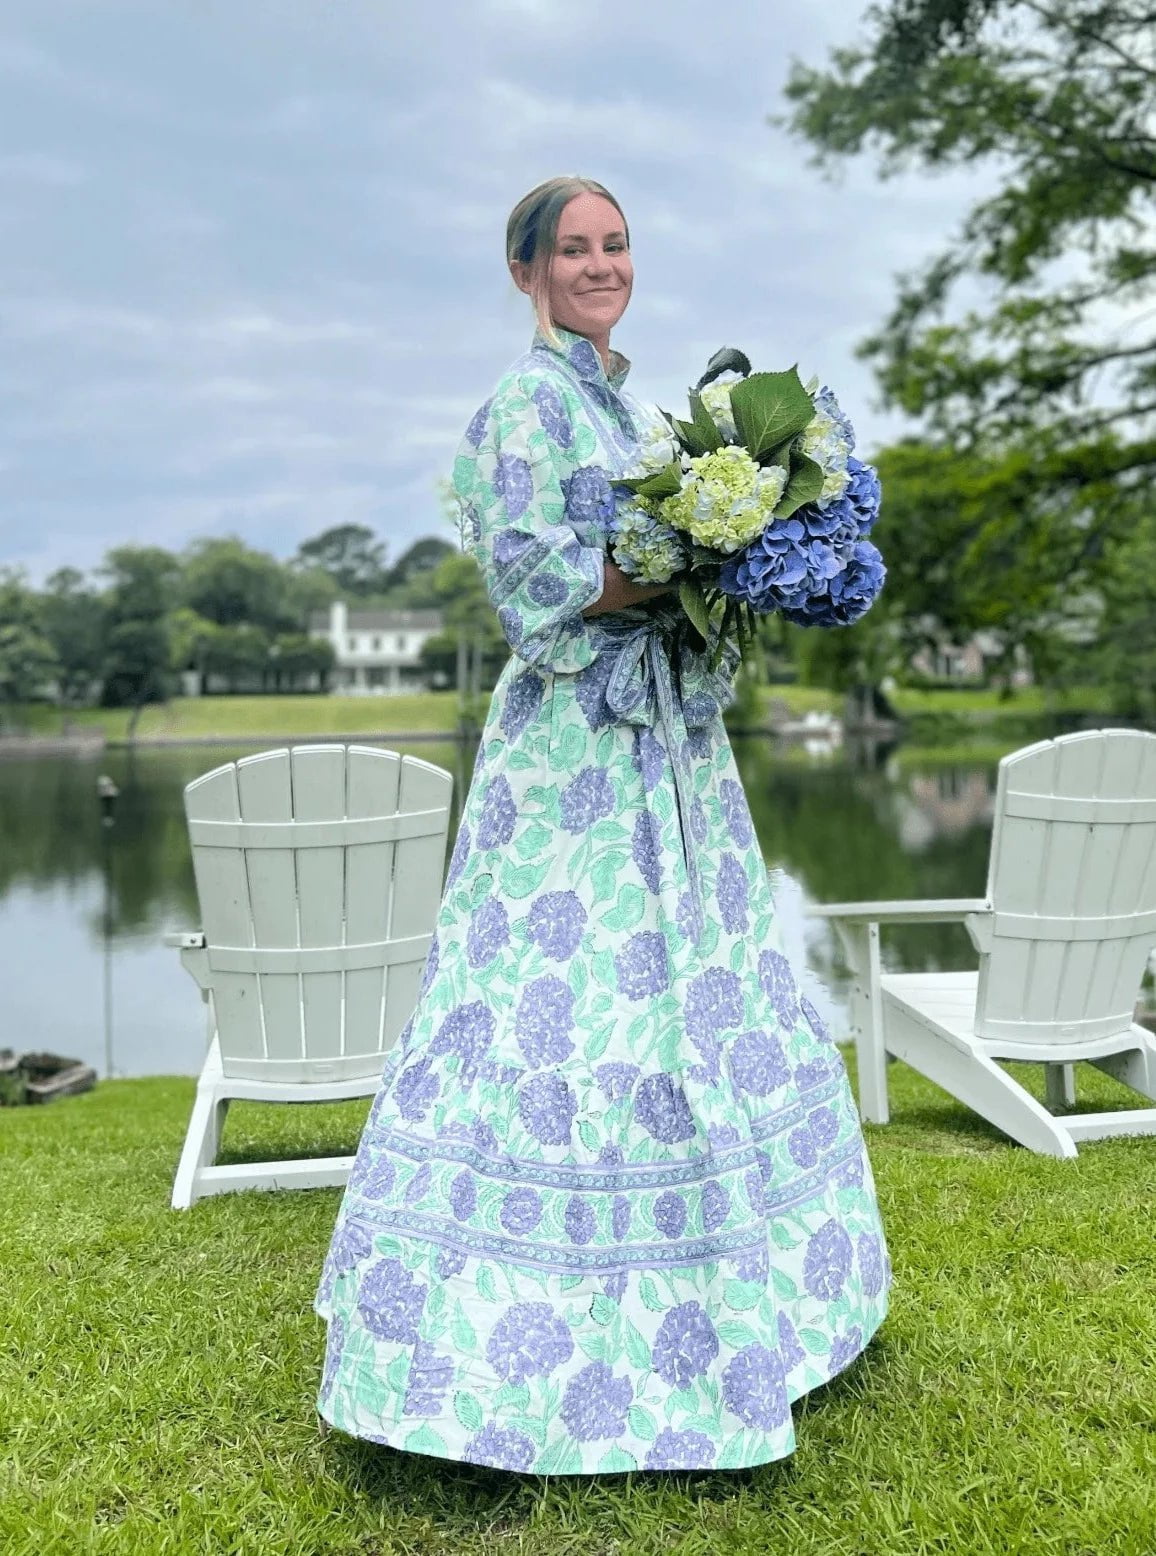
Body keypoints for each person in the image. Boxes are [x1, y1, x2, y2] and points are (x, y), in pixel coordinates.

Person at [315, 175, 891, 1475]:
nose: (598, 264)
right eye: (572, 249)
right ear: (524, 272)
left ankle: (750, 1304)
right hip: (575, 749)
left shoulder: (630, 402)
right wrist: (699, 553)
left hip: (668, 743)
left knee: (696, 996)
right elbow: (538, 588)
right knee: (558, 1003)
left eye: (615, 243)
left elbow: (666, 550)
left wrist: (751, 542)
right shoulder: (524, 405)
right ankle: (498, 1345)